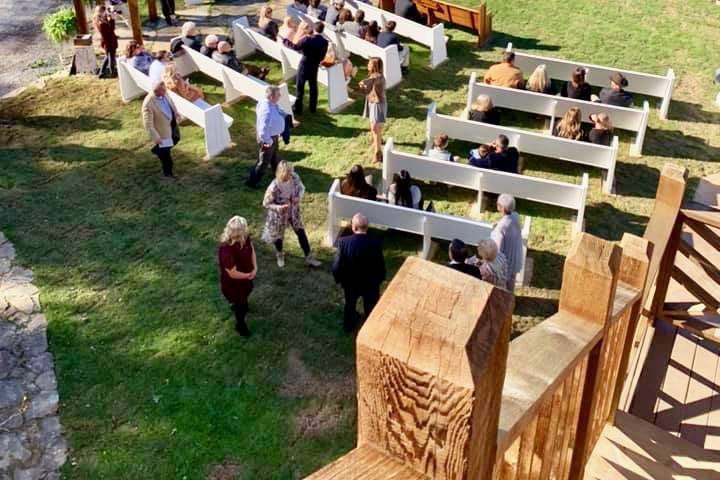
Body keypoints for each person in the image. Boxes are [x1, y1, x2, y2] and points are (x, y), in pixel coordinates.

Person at [262, 161, 322, 268]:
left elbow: (301, 188)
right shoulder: (274, 187)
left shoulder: (294, 177)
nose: (290, 177)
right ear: (281, 174)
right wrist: (279, 207)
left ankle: (309, 257)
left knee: (301, 232)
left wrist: (298, 197)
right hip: (279, 215)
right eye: (287, 175)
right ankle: (280, 254)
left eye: (290, 174)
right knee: (278, 235)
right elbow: (266, 203)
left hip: (293, 211)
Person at [332, 213, 386, 332]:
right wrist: (379, 280)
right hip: (370, 284)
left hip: (351, 283)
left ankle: (348, 326)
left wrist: (339, 280)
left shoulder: (343, 242)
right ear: (367, 227)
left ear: (353, 227)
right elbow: (380, 265)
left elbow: (337, 266)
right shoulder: (376, 243)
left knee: (350, 305)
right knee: (371, 307)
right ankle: (370, 329)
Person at [218, 216, 257, 338]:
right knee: (240, 305)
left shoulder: (245, 237)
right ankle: (240, 325)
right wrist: (249, 275)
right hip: (233, 284)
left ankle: (241, 304)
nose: (246, 231)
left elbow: (252, 250)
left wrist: (255, 267)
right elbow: (232, 273)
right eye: (243, 229)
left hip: (246, 278)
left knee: (247, 293)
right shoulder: (225, 249)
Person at [247, 86, 289, 188]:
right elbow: (262, 131)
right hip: (268, 138)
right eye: (278, 94)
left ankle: (277, 174)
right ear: (271, 96)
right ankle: (252, 182)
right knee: (263, 162)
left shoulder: (269, 103)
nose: (280, 96)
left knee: (274, 157)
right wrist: (269, 142)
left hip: (272, 136)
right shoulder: (266, 111)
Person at [142, 80, 180, 178]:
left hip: (171, 124)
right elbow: (148, 124)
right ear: (156, 91)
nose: (165, 92)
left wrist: (175, 112)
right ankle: (168, 173)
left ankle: (156, 150)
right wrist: (156, 136)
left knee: (176, 138)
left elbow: (170, 100)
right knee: (166, 155)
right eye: (163, 91)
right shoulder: (148, 104)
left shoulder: (164, 92)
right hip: (162, 132)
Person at [293, 22, 329, 115]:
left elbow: (295, 47)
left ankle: (298, 109)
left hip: (304, 66)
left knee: (300, 88)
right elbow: (322, 57)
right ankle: (312, 108)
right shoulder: (325, 42)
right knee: (313, 88)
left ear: (314, 29)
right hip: (314, 66)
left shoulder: (307, 39)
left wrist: (285, 40)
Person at [492, 194, 524, 291]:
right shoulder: (516, 215)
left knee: (502, 286)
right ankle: (511, 298)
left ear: (501, 207)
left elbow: (498, 248)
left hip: (506, 261)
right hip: (516, 255)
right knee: (511, 282)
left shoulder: (501, 228)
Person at [358, 57, 387, 163]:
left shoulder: (378, 77)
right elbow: (368, 88)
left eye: (370, 64)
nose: (367, 65)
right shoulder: (374, 75)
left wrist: (363, 82)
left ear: (374, 66)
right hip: (373, 102)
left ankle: (378, 153)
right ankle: (378, 140)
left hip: (377, 104)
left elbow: (370, 81)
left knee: (375, 127)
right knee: (374, 127)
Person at [93, 5, 118, 78]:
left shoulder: (102, 19)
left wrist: (110, 16)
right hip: (108, 42)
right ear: (101, 12)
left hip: (109, 41)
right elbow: (111, 29)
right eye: (104, 11)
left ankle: (101, 73)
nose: (106, 13)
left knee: (107, 57)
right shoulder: (101, 23)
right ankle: (113, 73)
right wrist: (112, 19)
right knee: (111, 58)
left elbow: (109, 28)